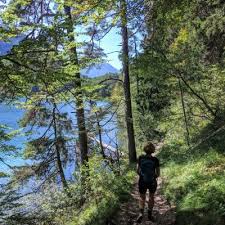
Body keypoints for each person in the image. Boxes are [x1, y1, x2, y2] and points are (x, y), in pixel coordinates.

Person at [136, 142, 160, 223]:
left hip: (142, 181)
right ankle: (149, 215)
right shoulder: (155, 160)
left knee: (142, 197)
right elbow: (158, 173)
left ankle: (141, 214)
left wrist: (142, 176)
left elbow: (137, 171)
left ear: (144, 149)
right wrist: (153, 177)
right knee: (151, 197)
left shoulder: (140, 158)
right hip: (152, 181)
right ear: (153, 150)